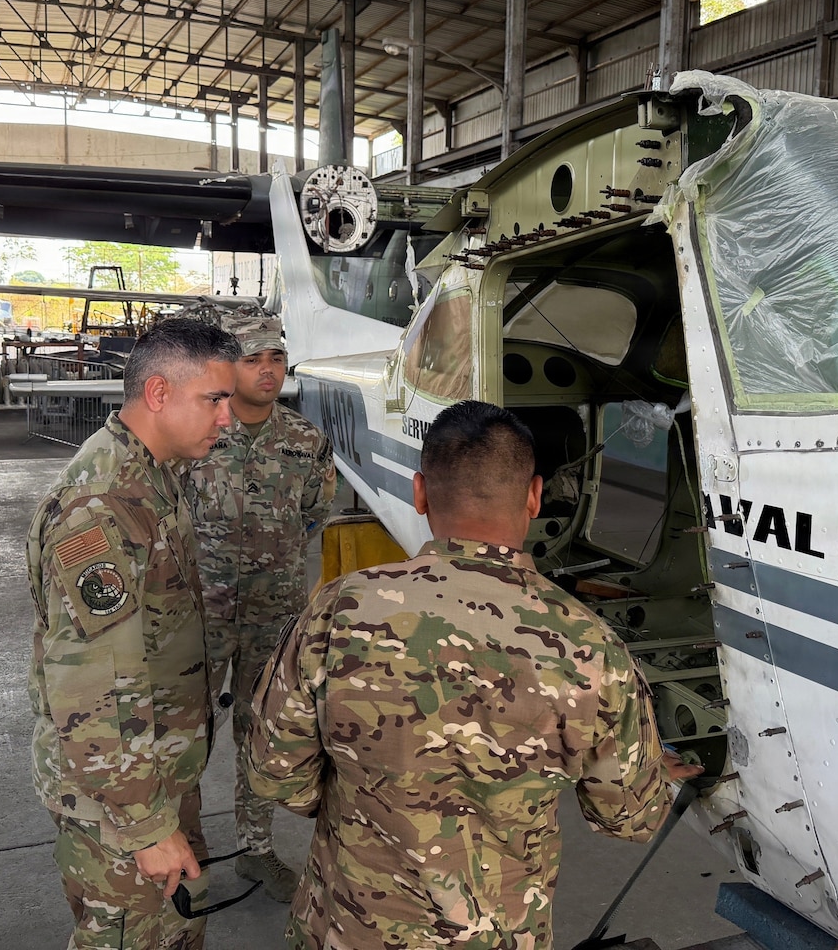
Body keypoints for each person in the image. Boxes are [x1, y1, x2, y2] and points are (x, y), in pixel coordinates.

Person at [247, 400, 703, 950]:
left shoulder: (341, 609)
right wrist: (654, 775)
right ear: (534, 496)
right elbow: (627, 818)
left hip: (347, 929)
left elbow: (276, 774)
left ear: (419, 492)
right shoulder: (589, 646)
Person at [27, 318, 240, 950]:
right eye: (214, 399)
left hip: (158, 770)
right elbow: (91, 691)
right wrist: (147, 827)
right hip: (118, 801)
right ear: (157, 394)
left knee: (175, 927)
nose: (228, 417)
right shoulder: (101, 507)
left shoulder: (155, 474)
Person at [185, 310, 336, 903]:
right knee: (186, 732)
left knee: (262, 732)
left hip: (274, 613)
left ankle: (256, 850)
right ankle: (185, 849)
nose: (268, 370)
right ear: (229, 367)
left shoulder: (304, 441)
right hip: (202, 612)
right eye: (253, 360)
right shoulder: (200, 436)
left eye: (275, 358)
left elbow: (313, 515)